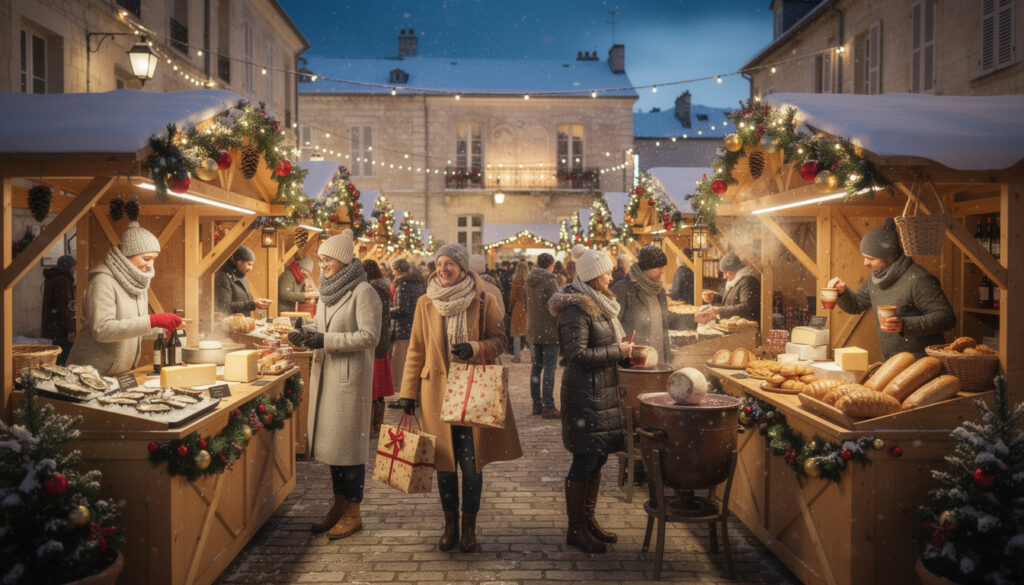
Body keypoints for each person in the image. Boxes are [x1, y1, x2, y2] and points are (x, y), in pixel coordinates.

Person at [397, 243, 523, 553]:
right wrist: (407, 392)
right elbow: (416, 349)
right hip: (435, 394)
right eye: (440, 263)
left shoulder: (483, 299)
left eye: (450, 264)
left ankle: (469, 527)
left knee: (471, 463)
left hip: (472, 391)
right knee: (444, 464)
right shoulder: (426, 302)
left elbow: (500, 341)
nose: (443, 269)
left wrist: (475, 348)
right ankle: (449, 524)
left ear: (463, 268)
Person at [286, 229, 381, 539]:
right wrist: (307, 333)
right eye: (321, 259)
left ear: (342, 259)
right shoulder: (329, 290)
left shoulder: (363, 292)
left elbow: (369, 337)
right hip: (326, 379)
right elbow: (323, 328)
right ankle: (339, 505)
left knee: (349, 451)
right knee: (333, 450)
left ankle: (354, 511)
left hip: (348, 382)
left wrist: (324, 340)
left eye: (327, 259)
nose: (322, 264)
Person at [548, 247, 630, 554]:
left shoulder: (600, 304)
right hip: (585, 394)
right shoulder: (576, 310)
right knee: (584, 459)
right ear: (594, 276)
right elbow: (576, 355)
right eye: (606, 272)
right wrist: (617, 351)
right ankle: (576, 529)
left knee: (597, 457)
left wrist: (622, 351)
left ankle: (588, 520)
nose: (611, 277)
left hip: (600, 391)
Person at [828, 218, 955, 359]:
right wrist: (842, 292)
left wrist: (905, 325)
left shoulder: (919, 279)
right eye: (864, 257)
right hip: (892, 362)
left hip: (923, 363)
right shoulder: (876, 277)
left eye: (870, 258)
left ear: (889, 257)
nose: (865, 263)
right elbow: (856, 305)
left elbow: (946, 318)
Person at [68, 222, 181, 375]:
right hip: (91, 372)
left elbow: (131, 327)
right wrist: (153, 320)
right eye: (146, 258)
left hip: (120, 372)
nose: (150, 265)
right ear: (127, 255)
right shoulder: (102, 281)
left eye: (154, 259)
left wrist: (161, 331)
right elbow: (102, 330)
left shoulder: (139, 282)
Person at [611, 244, 691, 363]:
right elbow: (612, 327)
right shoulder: (623, 289)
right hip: (635, 362)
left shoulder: (659, 290)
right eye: (659, 267)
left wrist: (695, 319)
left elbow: (666, 318)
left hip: (660, 359)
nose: (663, 271)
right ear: (647, 268)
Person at [524, 253, 560, 418]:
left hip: (534, 329)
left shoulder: (529, 281)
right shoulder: (550, 281)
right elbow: (556, 306)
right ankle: (548, 406)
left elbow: (527, 305)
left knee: (536, 368)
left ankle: (536, 404)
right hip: (549, 330)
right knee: (549, 369)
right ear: (551, 265)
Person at [388, 258, 426, 409]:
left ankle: (406, 396)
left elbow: (402, 309)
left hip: (404, 329)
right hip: (414, 328)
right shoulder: (416, 284)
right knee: (411, 365)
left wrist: (387, 312)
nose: (392, 273)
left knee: (403, 366)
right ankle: (412, 395)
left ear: (397, 270)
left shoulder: (402, 286)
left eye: (393, 270)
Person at [362, 259, 393, 436]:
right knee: (378, 388)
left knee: (373, 388)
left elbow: (374, 317)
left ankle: (372, 426)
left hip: (376, 343)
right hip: (381, 340)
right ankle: (377, 425)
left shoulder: (373, 289)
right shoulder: (382, 286)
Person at [695, 251, 760, 325]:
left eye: (726, 272)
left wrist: (720, 310)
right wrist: (714, 297)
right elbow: (731, 298)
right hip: (732, 325)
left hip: (743, 327)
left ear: (736, 269)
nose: (724, 276)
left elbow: (746, 307)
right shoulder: (733, 280)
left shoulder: (748, 282)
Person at [214, 246, 271, 317]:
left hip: (241, 321)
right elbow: (224, 306)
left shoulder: (242, 276)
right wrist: (252, 304)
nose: (251, 268)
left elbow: (242, 301)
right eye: (249, 264)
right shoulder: (223, 277)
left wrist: (255, 302)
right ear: (239, 262)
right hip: (228, 322)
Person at [42, 254, 77, 366]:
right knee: (64, 357)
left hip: (56, 326)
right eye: (73, 267)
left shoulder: (54, 278)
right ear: (68, 268)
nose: (74, 270)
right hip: (62, 328)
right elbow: (65, 308)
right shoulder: (63, 281)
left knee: (59, 354)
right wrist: (71, 330)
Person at [507, 262, 529, 362]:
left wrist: (510, 308)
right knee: (528, 333)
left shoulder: (516, 281)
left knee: (517, 333)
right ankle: (533, 356)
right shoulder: (530, 281)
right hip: (528, 308)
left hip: (518, 308)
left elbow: (512, 296)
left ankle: (517, 356)